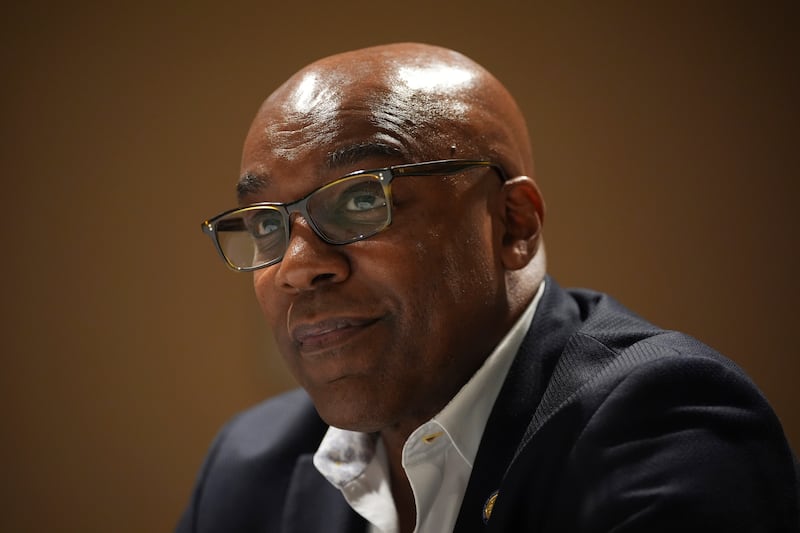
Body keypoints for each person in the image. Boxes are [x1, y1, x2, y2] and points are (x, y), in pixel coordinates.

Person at [177, 43, 799, 533]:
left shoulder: (664, 427)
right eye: (265, 224)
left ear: (514, 223)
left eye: (364, 197)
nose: (295, 266)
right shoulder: (246, 463)